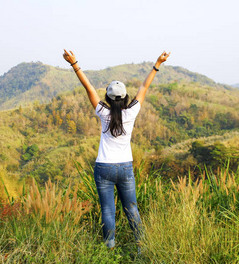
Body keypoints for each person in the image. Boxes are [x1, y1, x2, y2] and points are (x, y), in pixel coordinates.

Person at [62, 49, 170, 249]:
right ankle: (141, 246)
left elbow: (88, 88)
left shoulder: (103, 112)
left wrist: (74, 64)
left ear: (108, 98)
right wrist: (158, 63)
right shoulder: (132, 112)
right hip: (125, 168)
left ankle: (110, 247)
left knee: (107, 210)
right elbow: (144, 87)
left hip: (104, 167)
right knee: (132, 210)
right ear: (125, 97)